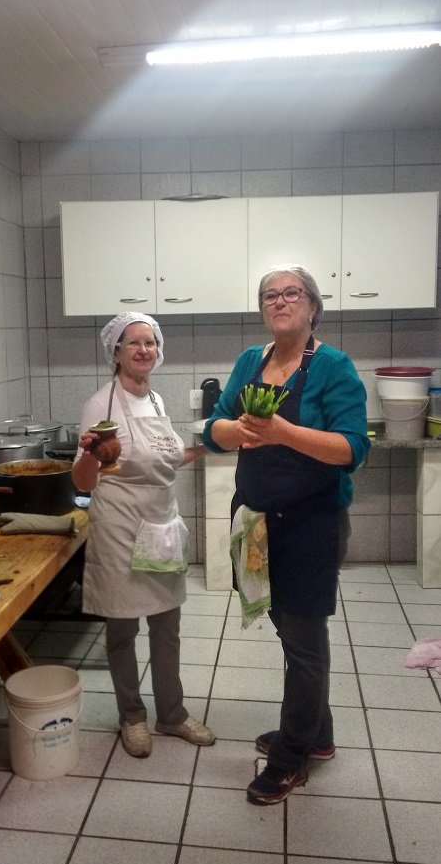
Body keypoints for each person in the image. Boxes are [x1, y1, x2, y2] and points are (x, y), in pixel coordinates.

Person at [202, 265, 370, 804]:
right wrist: (237, 430)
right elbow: (214, 430)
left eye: (291, 293)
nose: (280, 301)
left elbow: (352, 449)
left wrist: (282, 432)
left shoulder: (334, 367)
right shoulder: (250, 362)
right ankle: (316, 735)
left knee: (303, 641)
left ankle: (290, 757)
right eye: (270, 295)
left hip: (310, 525)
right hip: (254, 524)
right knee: (290, 633)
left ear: (313, 307)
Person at [72, 311, 216, 758]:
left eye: (150, 342)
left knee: (167, 625)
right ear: (115, 352)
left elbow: (166, 459)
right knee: (122, 627)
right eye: (133, 342)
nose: (143, 350)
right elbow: (82, 482)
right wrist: (91, 455)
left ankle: (171, 714)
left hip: (159, 521)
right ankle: (132, 717)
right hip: (119, 524)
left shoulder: (155, 401)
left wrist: (209, 447)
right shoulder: (101, 406)